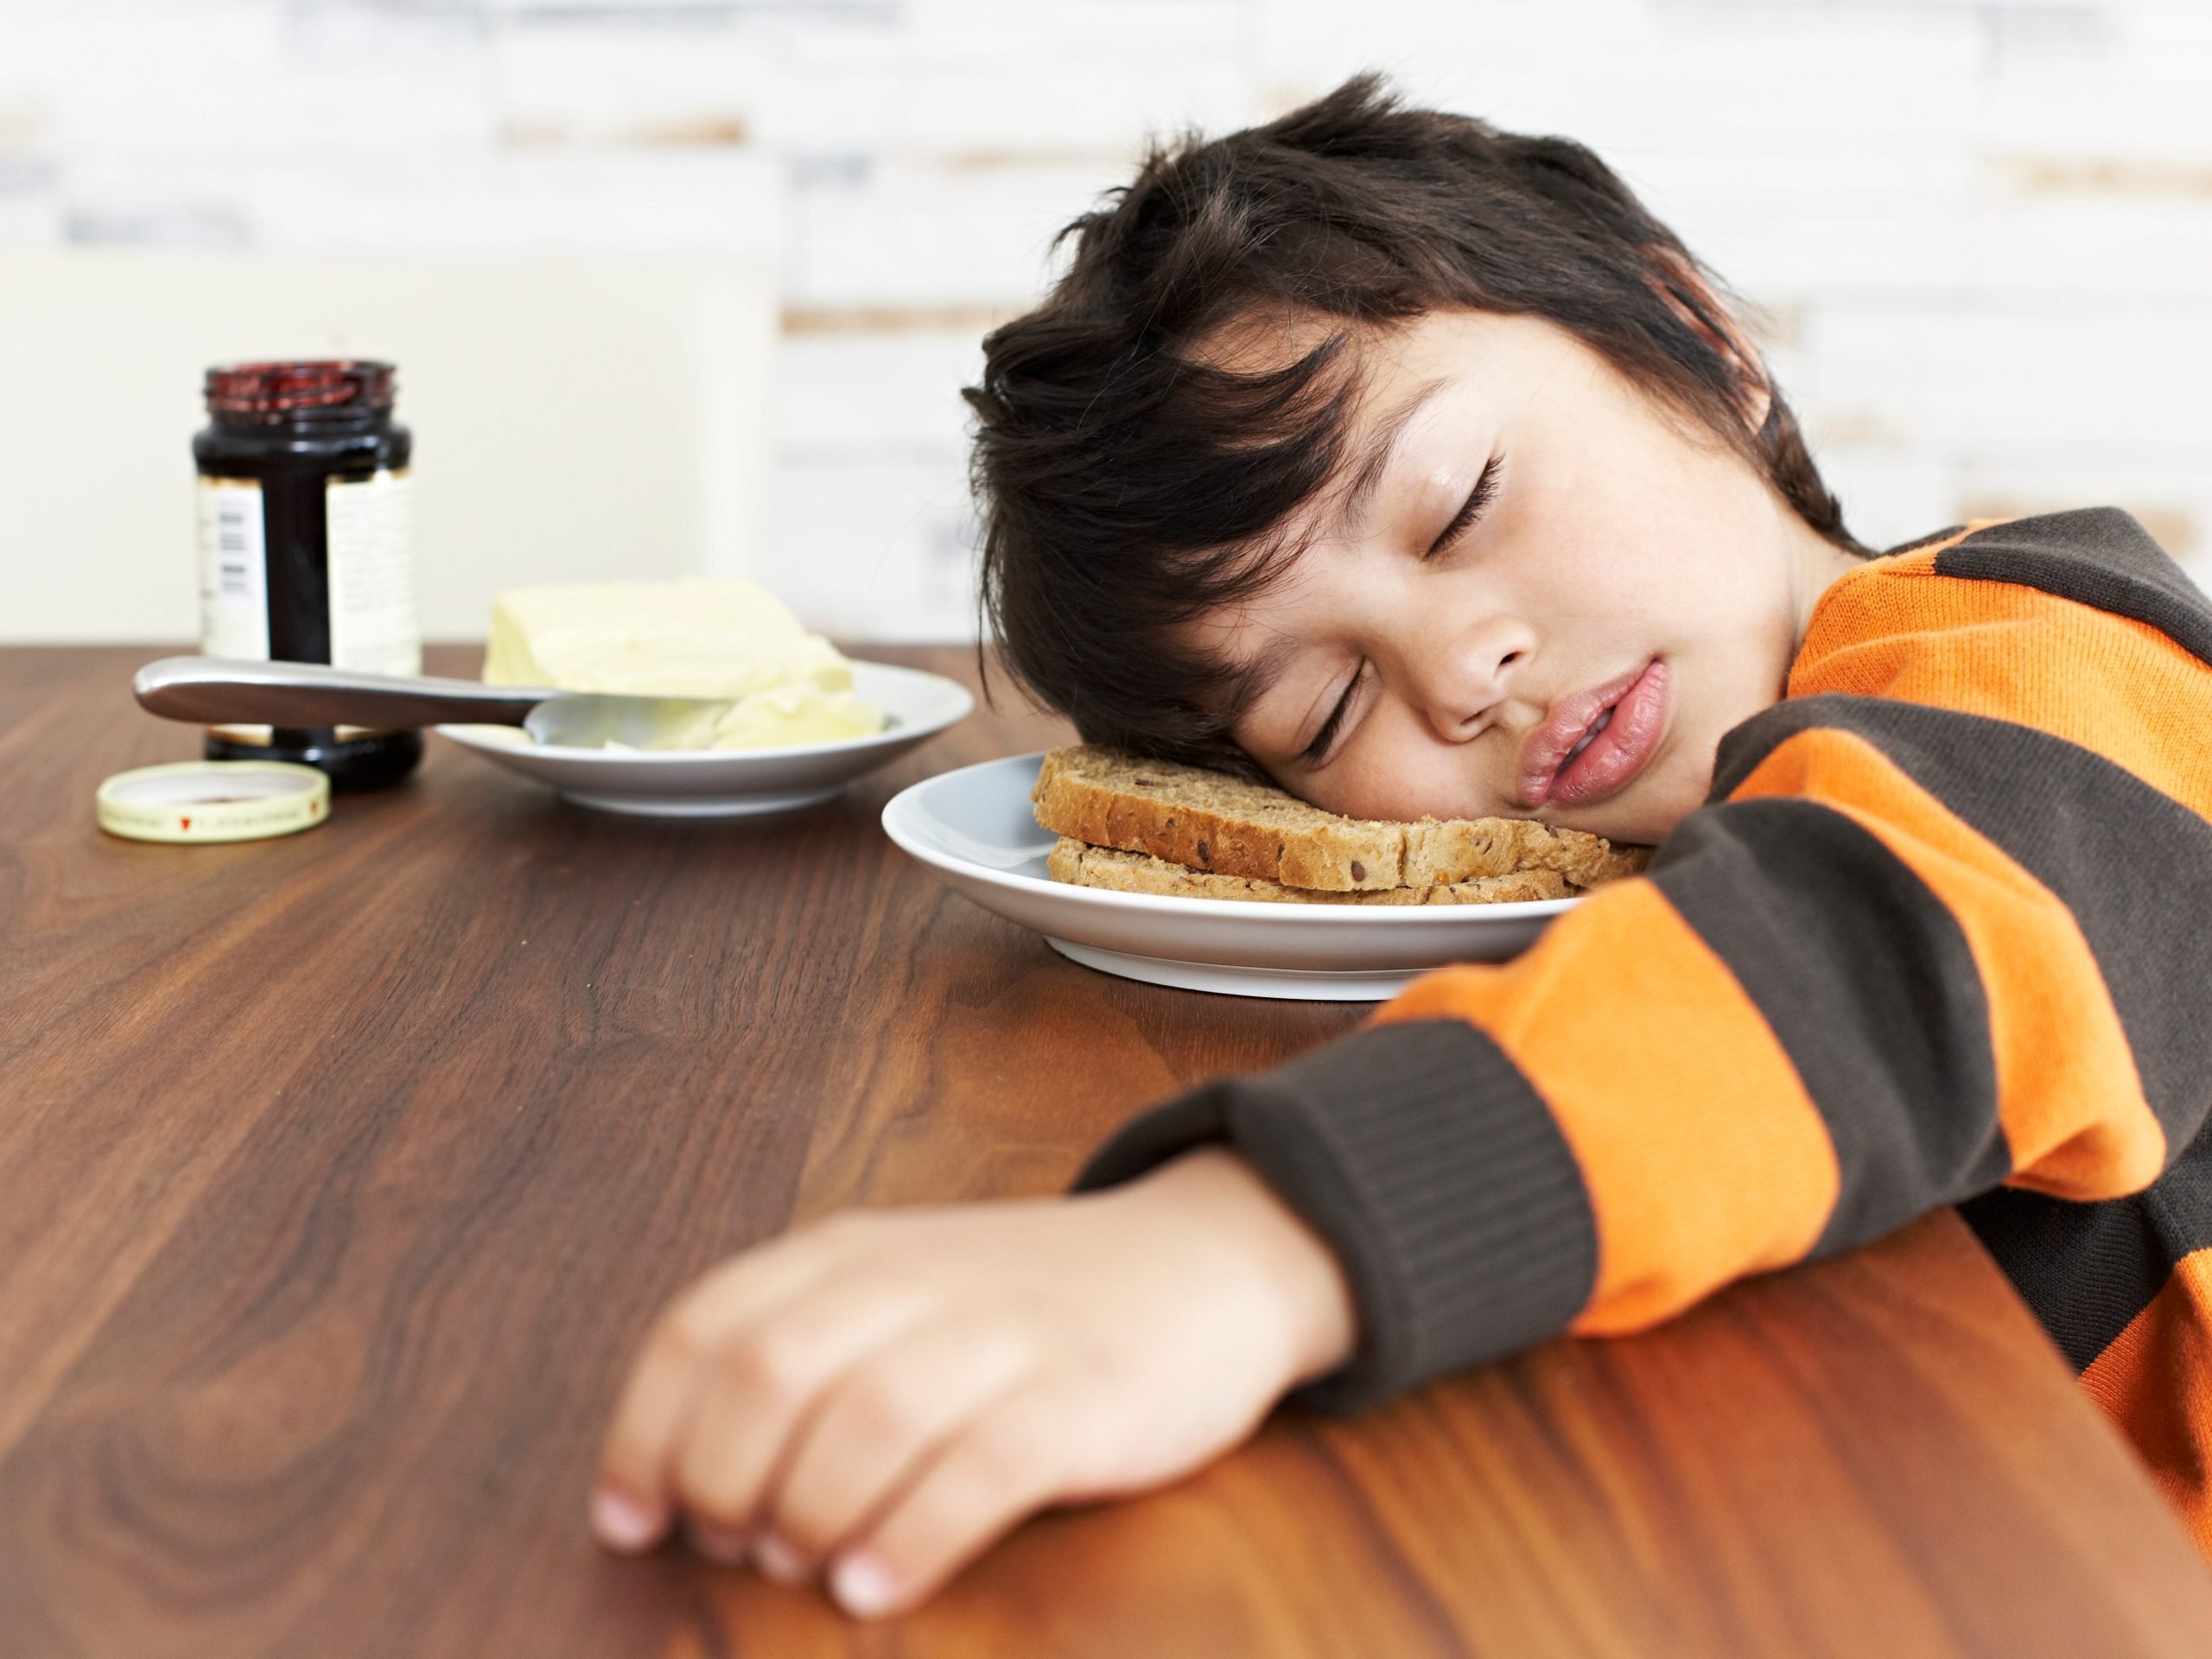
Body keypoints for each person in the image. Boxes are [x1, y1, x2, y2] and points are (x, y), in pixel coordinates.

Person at [588, 77, 2212, 1618]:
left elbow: (1877, 955)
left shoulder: (2062, 653)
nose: (1458, 675)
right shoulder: (1636, 853)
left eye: (1459, 503)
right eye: (1325, 709)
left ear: (1702, 344)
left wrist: (1236, 1249)